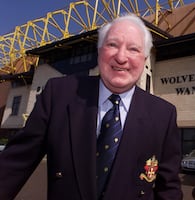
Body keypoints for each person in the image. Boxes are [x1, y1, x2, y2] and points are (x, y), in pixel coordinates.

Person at [0, 14, 183, 200]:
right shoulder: (59, 95)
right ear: (100, 51)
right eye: (112, 45)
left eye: (133, 49)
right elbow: (14, 165)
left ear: (144, 60)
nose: (121, 57)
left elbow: (168, 190)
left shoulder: (163, 115)